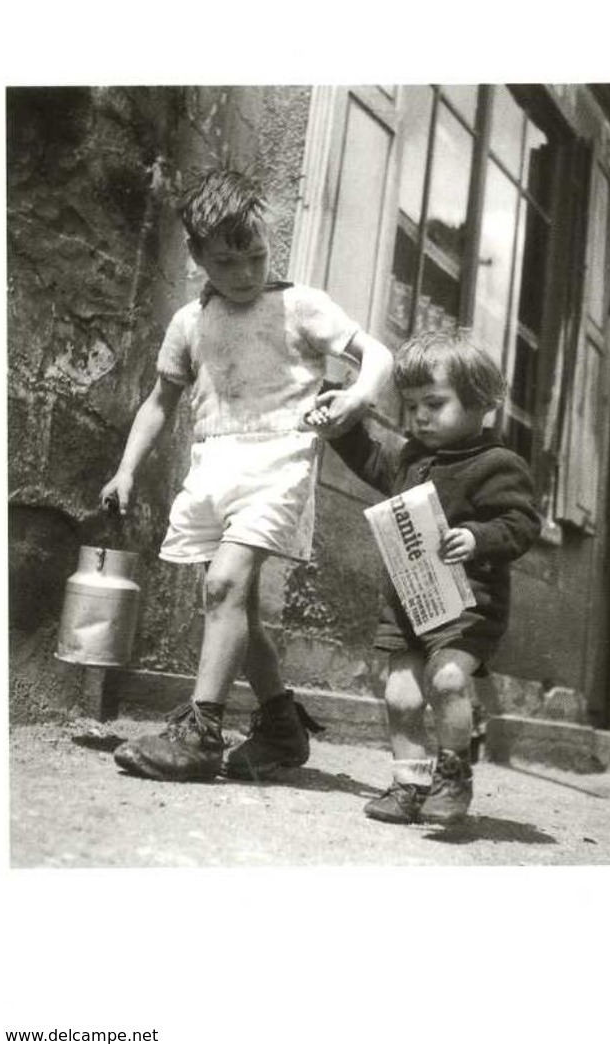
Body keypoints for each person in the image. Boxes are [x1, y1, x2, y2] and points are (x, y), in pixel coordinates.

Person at [101, 168, 393, 782]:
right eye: (228, 262)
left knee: (225, 585)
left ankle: (200, 734)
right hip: (214, 464)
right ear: (198, 257)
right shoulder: (189, 322)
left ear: (268, 240)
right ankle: (282, 727)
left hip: (280, 460)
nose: (246, 273)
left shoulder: (299, 305)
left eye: (256, 255)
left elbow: (379, 356)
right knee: (235, 607)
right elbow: (160, 401)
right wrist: (127, 469)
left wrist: (356, 399)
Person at [307, 330, 541, 824]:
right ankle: (409, 783)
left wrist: (478, 537)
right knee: (400, 694)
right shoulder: (409, 458)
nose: (420, 417)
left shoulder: (498, 465)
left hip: (466, 604)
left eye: (434, 404)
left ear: (480, 404)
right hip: (409, 599)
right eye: (411, 406)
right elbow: (372, 459)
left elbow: (521, 525)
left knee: (450, 678)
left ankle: (453, 776)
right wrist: (340, 427)